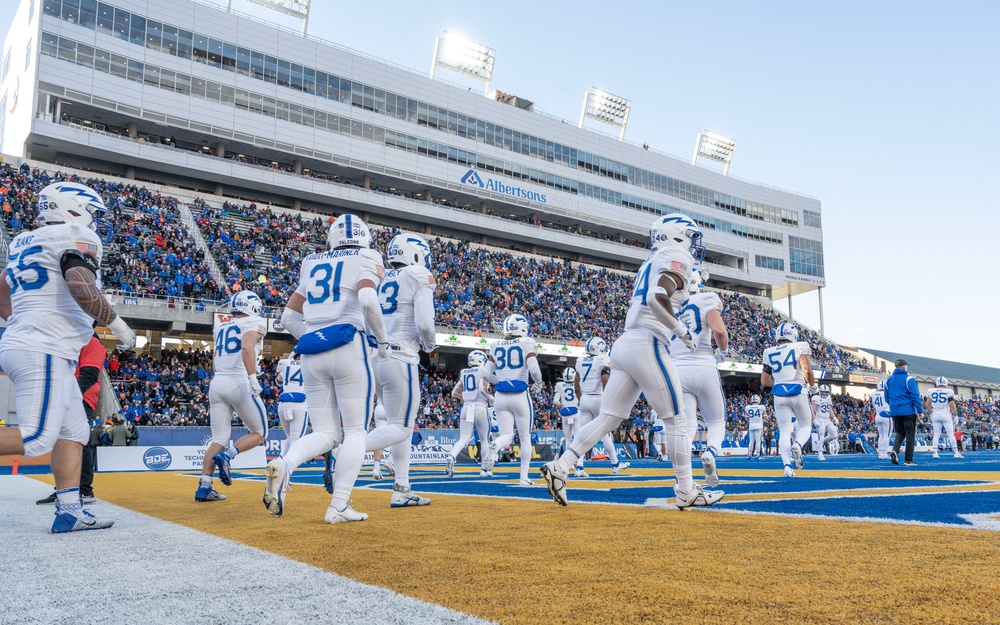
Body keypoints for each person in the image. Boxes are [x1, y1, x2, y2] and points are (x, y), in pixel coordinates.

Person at [541, 213, 724, 508]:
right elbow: (657, 296)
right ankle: (687, 490)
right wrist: (682, 331)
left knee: (609, 417)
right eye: (690, 237)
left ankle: (561, 466)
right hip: (649, 342)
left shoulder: (649, 261)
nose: (693, 245)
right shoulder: (677, 256)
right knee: (677, 421)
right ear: (677, 235)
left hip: (625, 344)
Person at [0, 181, 136, 533]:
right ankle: (70, 508)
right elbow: (79, 282)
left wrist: (19, 321)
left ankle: (70, 509)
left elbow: (1, 289)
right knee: (35, 438)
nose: (95, 221)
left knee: (73, 431)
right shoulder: (74, 235)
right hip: (44, 346)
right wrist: (118, 325)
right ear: (75, 208)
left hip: (35, 344)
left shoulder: (24, 241)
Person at [266, 213, 389, 524]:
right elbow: (367, 298)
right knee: (357, 431)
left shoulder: (312, 261)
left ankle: (286, 463)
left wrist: (316, 336)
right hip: (349, 343)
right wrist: (384, 343)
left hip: (312, 350)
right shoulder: (366, 255)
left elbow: (288, 318)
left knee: (324, 432)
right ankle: (338, 506)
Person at [358, 233, 436, 508]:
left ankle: (402, 487)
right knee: (403, 427)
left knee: (397, 425)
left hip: (374, 356)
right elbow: (425, 322)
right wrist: (429, 345)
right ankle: (345, 451)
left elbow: (366, 316)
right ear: (415, 254)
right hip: (401, 356)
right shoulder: (418, 274)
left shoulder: (379, 276)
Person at [195, 290, 268, 502]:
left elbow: (216, 356)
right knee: (260, 432)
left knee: (218, 438)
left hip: (218, 382)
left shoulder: (222, 325)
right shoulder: (254, 322)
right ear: (252, 306)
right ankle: (229, 455)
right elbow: (246, 347)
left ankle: (204, 486)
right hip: (239, 381)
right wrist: (253, 378)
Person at [36, 323, 107, 505]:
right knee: (62, 443)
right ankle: (64, 489)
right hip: (70, 396)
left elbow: (90, 374)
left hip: (80, 398)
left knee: (79, 442)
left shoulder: (91, 342)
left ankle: (84, 490)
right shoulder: (74, 342)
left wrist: (69, 395)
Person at [671, 266, 729, 486]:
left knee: (687, 428)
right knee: (716, 421)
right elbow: (720, 331)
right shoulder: (706, 299)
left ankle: (683, 480)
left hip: (676, 369)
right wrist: (722, 351)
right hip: (703, 365)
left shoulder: (670, 305)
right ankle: (711, 452)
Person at [483, 314, 543, 486]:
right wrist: (538, 384)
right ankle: (523, 477)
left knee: (506, 436)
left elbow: (485, 373)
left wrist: (502, 381)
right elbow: (534, 368)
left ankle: (496, 445)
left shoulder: (495, 345)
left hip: (501, 396)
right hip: (520, 394)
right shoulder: (526, 342)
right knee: (525, 437)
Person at [760, 322, 815, 477]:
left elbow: (764, 382)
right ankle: (797, 445)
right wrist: (813, 387)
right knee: (805, 426)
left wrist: (779, 383)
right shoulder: (800, 346)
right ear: (794, 335)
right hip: (798, 391)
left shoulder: (768, 352)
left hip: (779, 394)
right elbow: (807, 371)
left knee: (784, 431)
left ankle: (787, 467)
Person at [573, 336, 629, 475]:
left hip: (585, 399)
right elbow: (605, 380)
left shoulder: (580, 360)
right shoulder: (602, 360)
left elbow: (576, 386)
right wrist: (608, 399)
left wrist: (582, 399)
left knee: (581, 434)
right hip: (598, 398)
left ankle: (579, 467)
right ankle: (615, 464)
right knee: (605, 434)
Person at [446, 350, 492, 478]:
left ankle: (451, 456)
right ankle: (484, 469)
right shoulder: (483, 371)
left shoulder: (464, 372)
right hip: (480, 407)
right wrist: (489, 397)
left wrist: (467, 397)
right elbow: (482, 389)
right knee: (484, 441)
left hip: (466, 407)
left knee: (463, 439)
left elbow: (454, 392)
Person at [885, 358, 923, 466]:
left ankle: (895, 450)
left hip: (895, 411)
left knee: (900, 433)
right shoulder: (909, 379)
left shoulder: (889, 380)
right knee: (910, 434)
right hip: (908, 411)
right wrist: (920, 410)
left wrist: (894, 406)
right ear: (904, 367)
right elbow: (915, 396)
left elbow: (887, 397)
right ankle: (908, 459)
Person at [553, 367, 585, 477]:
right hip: (576, 412)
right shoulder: (578, 383)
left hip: (565, 414)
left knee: (568, 439)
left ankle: (569, 463)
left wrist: (564, 406)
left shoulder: (559, 385)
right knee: (579, 439)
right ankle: (580, 466)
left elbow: (556, 401)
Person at [275, 351, 308, 457]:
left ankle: (280, 459)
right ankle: (287, 467)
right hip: (300, 404)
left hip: (284, 404)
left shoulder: (284, 363)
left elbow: (278, 381)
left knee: (289, 437)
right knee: (296, 440)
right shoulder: (310, 366)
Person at [924, 376, 963, 459]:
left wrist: (931, 414)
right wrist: (955, 415)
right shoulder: (948, 391)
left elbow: (927, 405)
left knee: (936, 435)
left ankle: (934, 452)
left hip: (936, 413)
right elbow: (952, 406)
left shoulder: (931, 391)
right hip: (945, 413)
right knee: (951, 435)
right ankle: (956, 452)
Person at [811, 385, 837, 460]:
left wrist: (834, 417)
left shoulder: (829, 398)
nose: (825, 394)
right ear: (820, 392)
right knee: (821, 435)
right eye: (823, 392)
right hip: (820, 419)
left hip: (827, 419)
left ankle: (822, 442)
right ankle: (820, 454)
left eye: (826, 392)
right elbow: (812, 410)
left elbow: (830, 409)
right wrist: (814, 420)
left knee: (834, 435)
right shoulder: (816, 398)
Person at [871, 379, 893, 459]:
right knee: (887, 436)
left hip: (878, 414)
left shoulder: (873, 394)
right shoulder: (887, 393)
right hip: (886, 414)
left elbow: (873, 404)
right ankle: (884, 453)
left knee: (881, 435)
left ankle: (880, 453)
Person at [745, 394, 765, 460]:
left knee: (751, 441)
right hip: (759, 425)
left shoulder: (747, 407)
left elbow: (746, 419)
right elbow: (766, 417)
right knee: (758, 441)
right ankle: (758, 454)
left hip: (751, 425)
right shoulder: (761, 407)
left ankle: (749, 454)